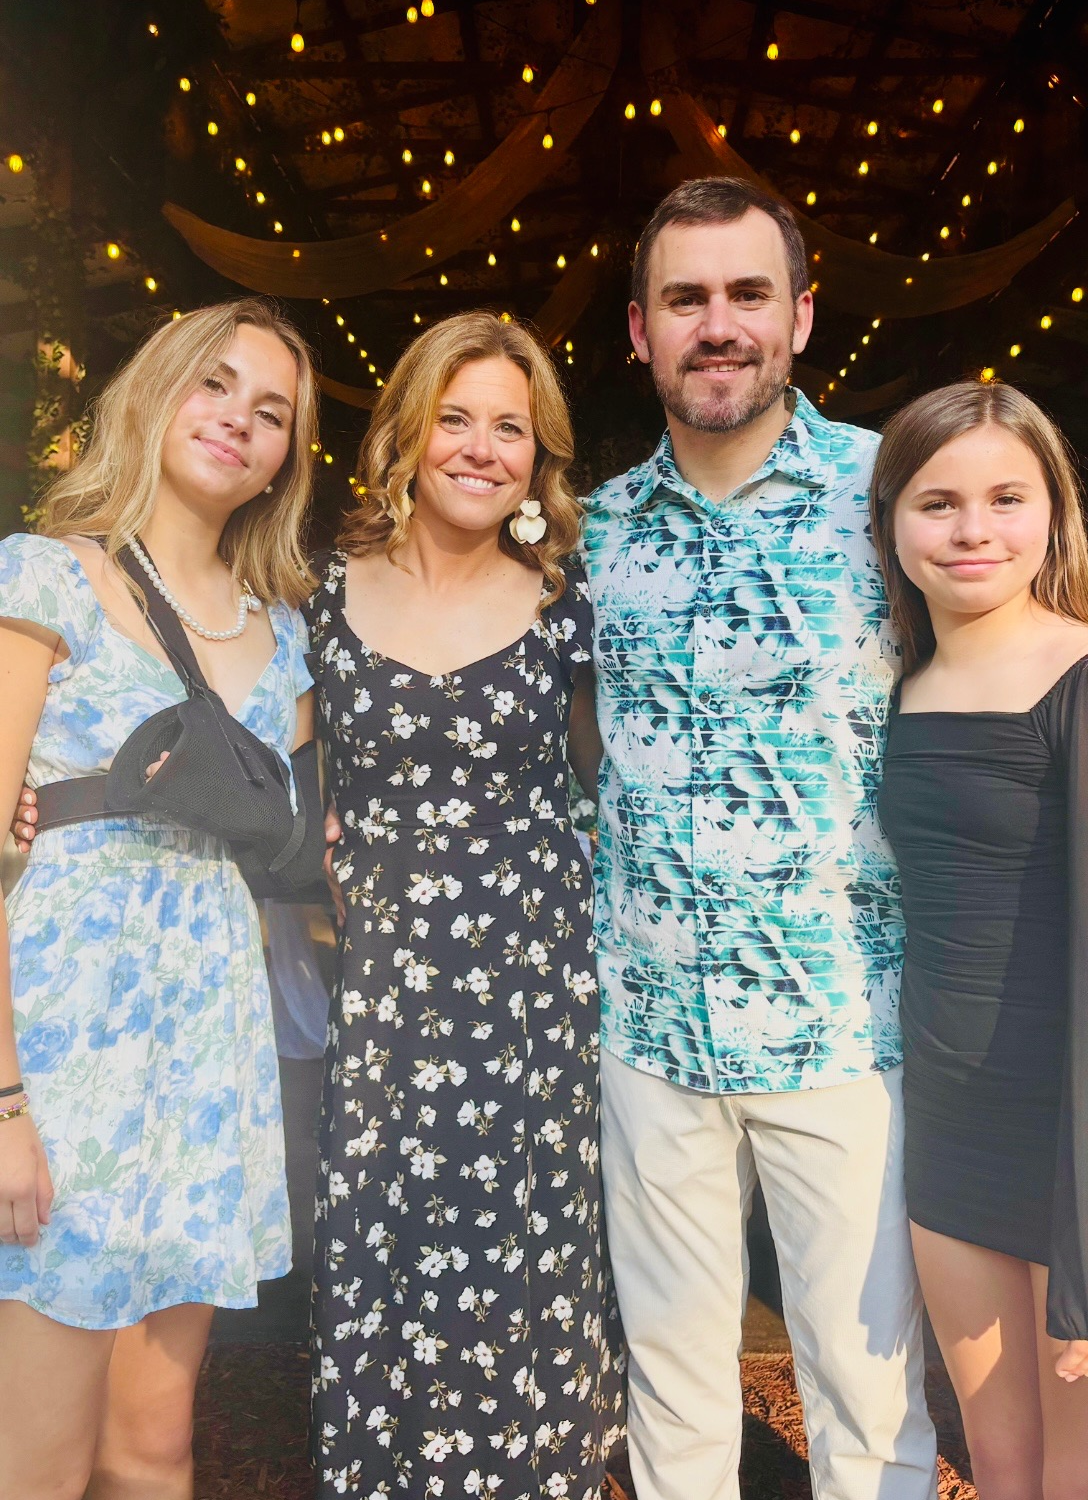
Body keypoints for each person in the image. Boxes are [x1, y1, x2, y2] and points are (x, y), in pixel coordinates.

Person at [580, 176, 938, 1500]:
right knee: (672, 1402)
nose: (717, 324)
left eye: (746, 294)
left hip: (842, 1027)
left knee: (867, 1403)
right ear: (640, 330)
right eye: (685, 299)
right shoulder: (593, 531)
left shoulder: (892, 492)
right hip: (649, 1032)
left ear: (799, 315)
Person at [0, 298, 319, 1500]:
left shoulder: (286, 638)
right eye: (213, 383)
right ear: (154, 391)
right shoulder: (48, 576)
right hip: (62, 1049)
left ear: (286, 457)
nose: (238, 419)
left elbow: (318, 830)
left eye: (271, 411)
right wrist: (2, 1105)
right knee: (36, 1458)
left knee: (152, 1451)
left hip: (207, 1057)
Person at [304, 310, 623, 1499]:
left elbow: (619, 785)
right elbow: (268, 766)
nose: (484, 449)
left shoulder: (566, 609)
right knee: (383, 1256)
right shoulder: (321, 598)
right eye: (457, 419)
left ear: (539, 460)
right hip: (387, 1001)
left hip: (535, 1002)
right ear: (408, 430)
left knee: (527, 1270)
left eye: (512, 429)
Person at [870, 380, 1088, 1500]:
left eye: (1007, 498)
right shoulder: (899, 685)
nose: (973, 530)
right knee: (1003, 1471)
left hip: (1084, 1145)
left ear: (1054, 513)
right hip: (954, 1136)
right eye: (937, 502)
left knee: (1078, 1484)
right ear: (891, 523)